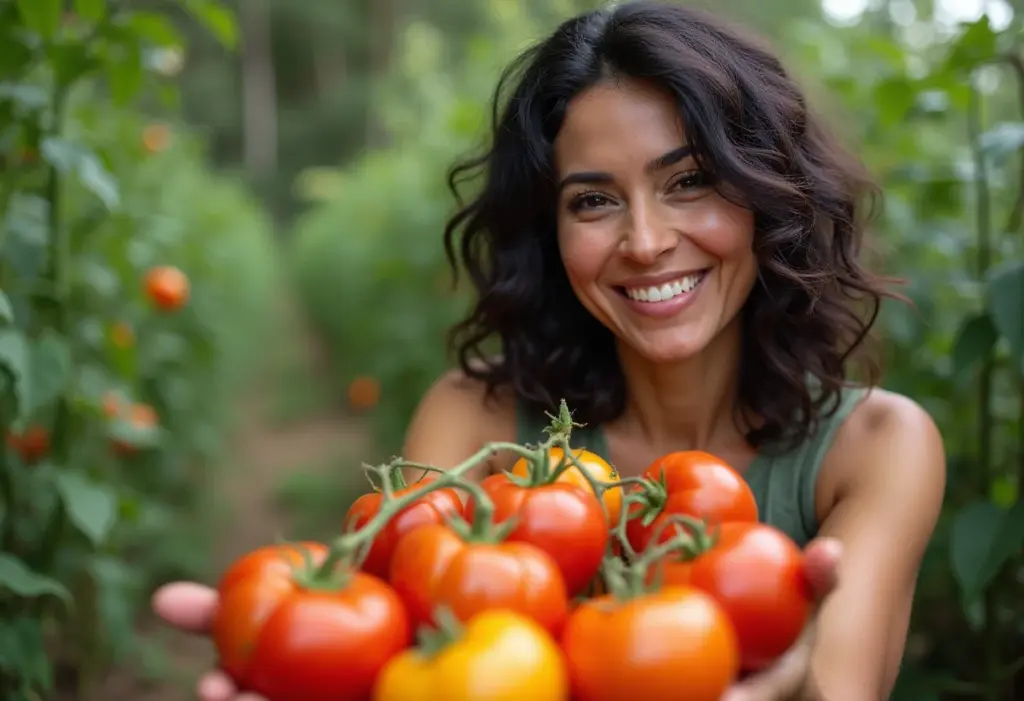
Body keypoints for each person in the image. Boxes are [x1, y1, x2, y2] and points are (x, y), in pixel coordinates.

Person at [152, 2, 946, 700]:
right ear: (550, 233)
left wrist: (796, 687)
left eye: (689, 181)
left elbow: (843, 685)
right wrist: (304, 652)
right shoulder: (476, 420)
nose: (645, 241)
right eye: (593, 200)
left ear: (768, 192)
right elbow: (401, 652)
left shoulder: (877, 448)